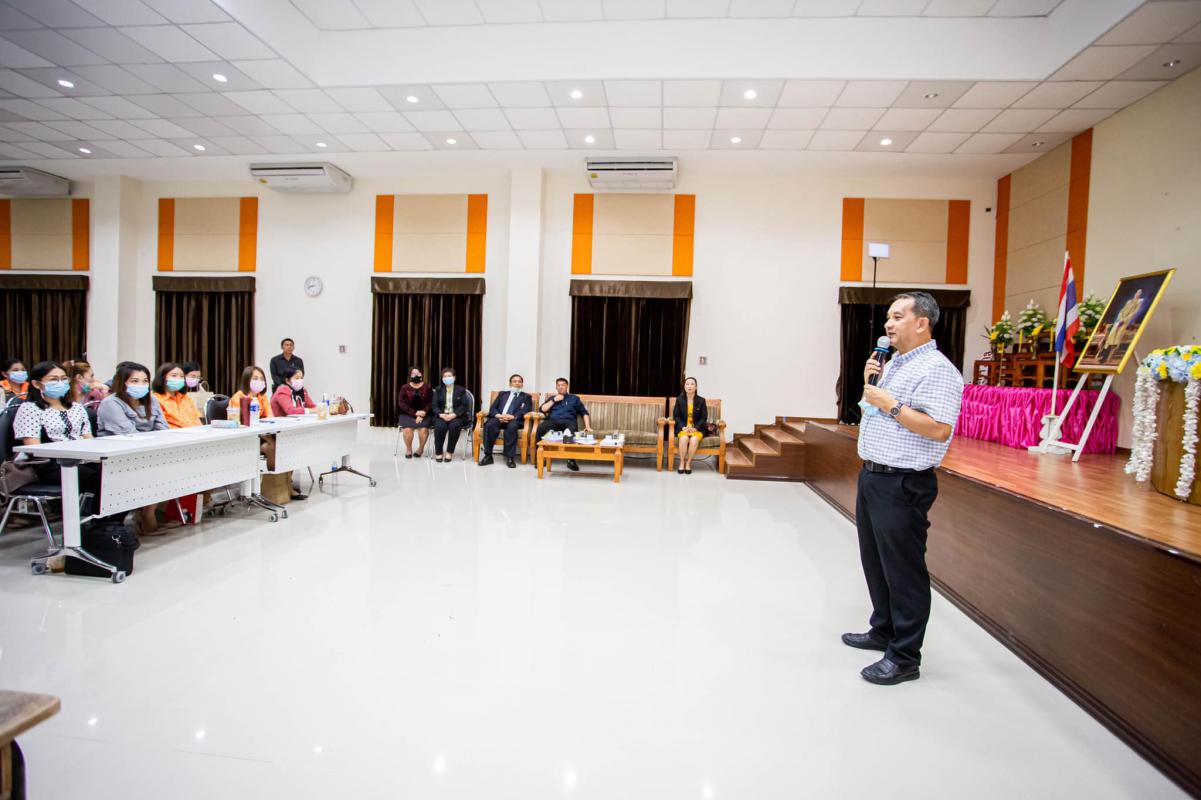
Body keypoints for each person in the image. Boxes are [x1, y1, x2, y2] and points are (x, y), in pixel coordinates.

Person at [844, 291, 964, 686]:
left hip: (902, 482)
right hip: (873, 476)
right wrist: (871, 388)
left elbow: (939, 429)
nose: (888, 324)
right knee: (876, 561)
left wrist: (890, 403)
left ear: (922, 322)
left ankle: (905, 656)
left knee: (903, 569)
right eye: (888, 318)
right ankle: (883, 629)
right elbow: (872, 410)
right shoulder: (893, 363)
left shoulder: (937, 369)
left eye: (897, 317)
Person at [13, 361, 101, 513]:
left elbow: (88, 438)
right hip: (48, 465)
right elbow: (33, 449)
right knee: (97, 477)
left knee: (114, 471)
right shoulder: (30, 409)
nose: (60, 383)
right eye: (53, 379)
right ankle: (96, 521)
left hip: (82, 458)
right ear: (37, 384)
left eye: (64, 378)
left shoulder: (77, 408)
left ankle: (110, 520)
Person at [96, 362, 170, 534]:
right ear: (122, 382)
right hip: (118, 455)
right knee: (155, 470)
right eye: (135, 381)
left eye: (145, 381)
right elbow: (129, 434)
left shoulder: (151, 400)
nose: (141, 385)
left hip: (147, 451)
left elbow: (163, 429)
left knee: (169, 467)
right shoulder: (111, 403)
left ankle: (150, 513)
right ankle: (146, 516)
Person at [535, 377, 591, 472]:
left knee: (572, 430)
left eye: (563, 385)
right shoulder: (552, 398)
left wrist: (588, 427)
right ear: (556, 387)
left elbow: (584, 413)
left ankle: (571, 460)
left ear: (567, 386)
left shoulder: (574, 398)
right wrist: (554, 400)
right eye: (558, 385)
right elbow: (542, 409)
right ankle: (540, 458)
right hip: (552, 421)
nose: (560, 387)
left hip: (568, 421)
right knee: (540, 428)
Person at [479, 374, 532, 468]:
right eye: (514, 381)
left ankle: (510, 458)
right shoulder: (502, 394)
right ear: (510, 384)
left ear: (522, 384)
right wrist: (498, 415)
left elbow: (525, 410)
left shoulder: (526, 397)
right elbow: (493, 408)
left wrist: (513, 416)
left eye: (519, 381)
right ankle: (488, 456)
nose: (517, 383)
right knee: (489, 425)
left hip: (514, 419)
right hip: (499, 417)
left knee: (512, 427)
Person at [430, 367, 470, 463]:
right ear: (442, 379)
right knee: (440, 427)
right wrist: (440, 414)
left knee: (454, 426)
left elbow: (464, 405)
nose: (447, 378)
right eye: (445, 376)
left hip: (457, 416)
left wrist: (455, 414)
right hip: (441, 415)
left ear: (454, 377)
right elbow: (434, 405)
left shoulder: (461, 390)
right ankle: (438, 452)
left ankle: (449, 452)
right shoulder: (438, 389)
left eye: (449, 376)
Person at [672, 377, 707, 475]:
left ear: (696, 387)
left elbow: (703, 417)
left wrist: (695, 428)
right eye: (687, 384)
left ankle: (688, 463)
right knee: (684, 438)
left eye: (692, 384)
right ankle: (682, 462)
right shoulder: (679, 400)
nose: (689, 386)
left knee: (694, 439)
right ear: (684, 387)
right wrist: (683, 427)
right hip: (683, 428)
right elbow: (676, 416)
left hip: (697, 429)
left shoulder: (701, 401)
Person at [151, 363, 201, 429]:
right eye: (174, 375)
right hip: (173, 434)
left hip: (196, 432)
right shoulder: (155, 399)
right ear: (162, 378)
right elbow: (159, 426)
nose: (179, 379)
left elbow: (197, 420)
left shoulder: (186, 398)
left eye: (182, 376)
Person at [397, 366, 432, 459]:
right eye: (413, 373)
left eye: (418, 373)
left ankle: (420, 449)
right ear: (410, 376)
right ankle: (409, 449)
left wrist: (422, 413)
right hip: (407, 413)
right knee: (407, 429)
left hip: (425, 414)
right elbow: (401, 403)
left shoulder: (427, 387)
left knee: (423, 429)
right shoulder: (404, 388)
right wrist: (415, 413)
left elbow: (430, 402)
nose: (416, 375)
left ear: (421, 374)